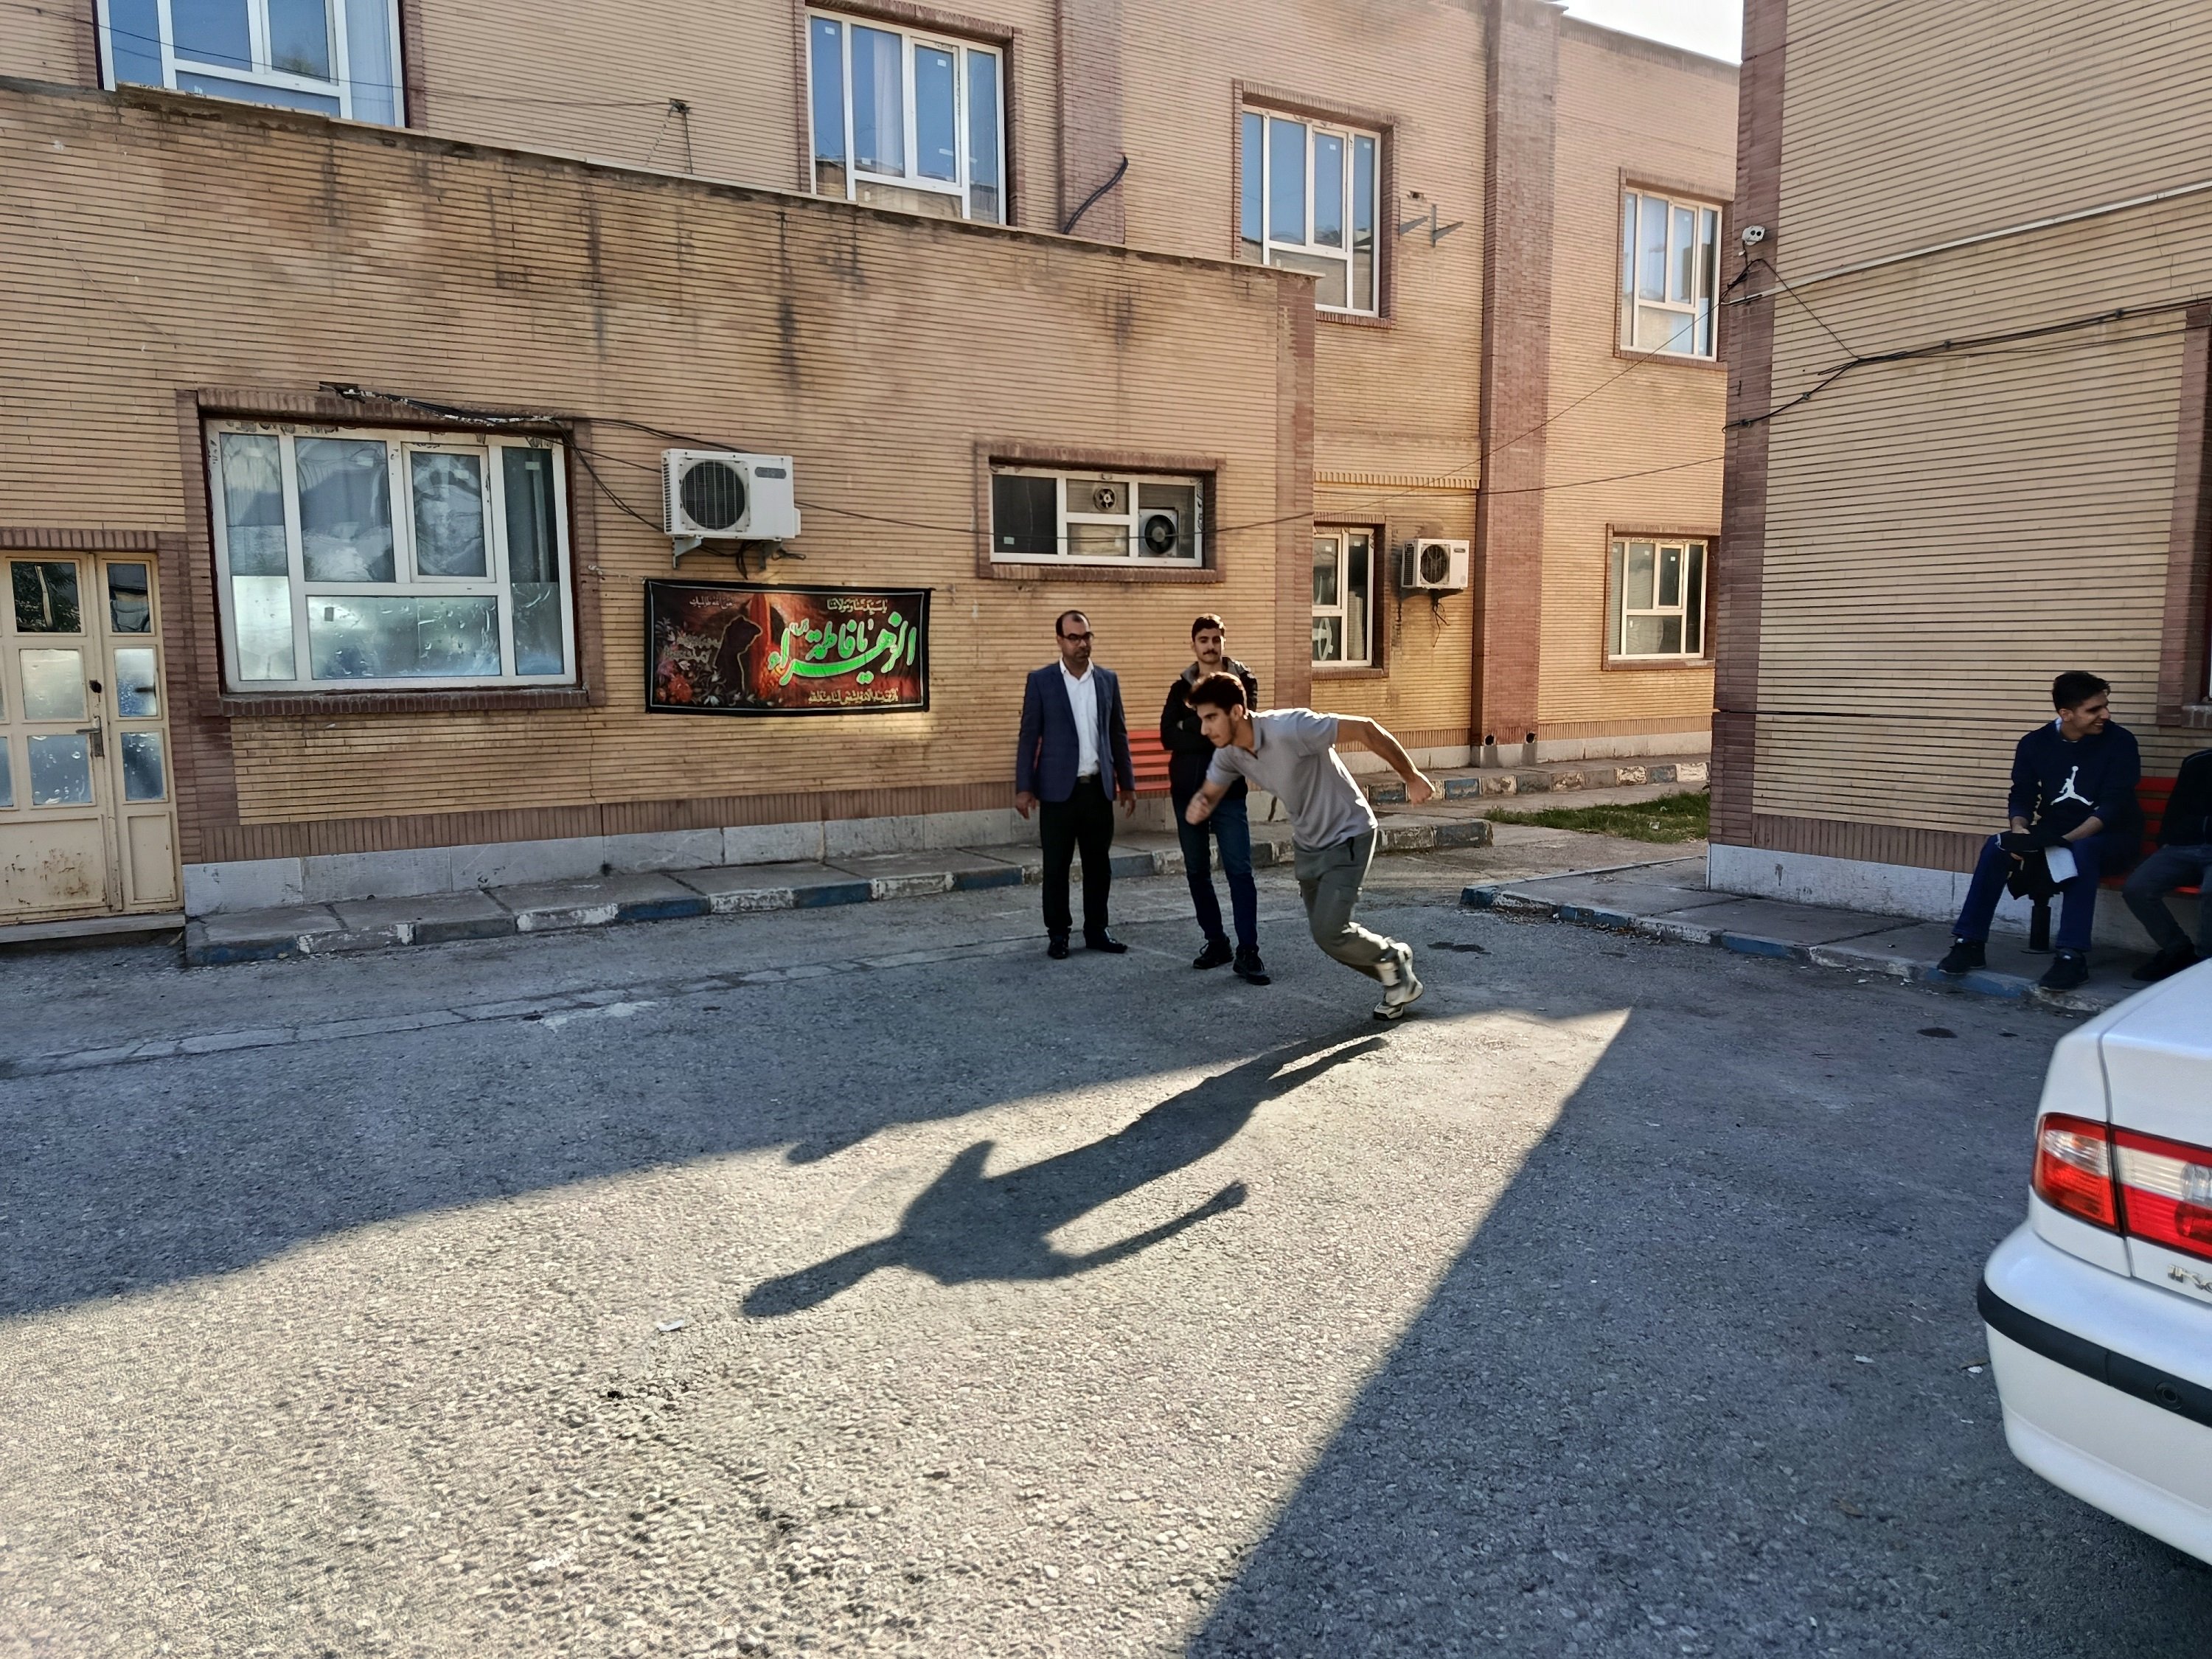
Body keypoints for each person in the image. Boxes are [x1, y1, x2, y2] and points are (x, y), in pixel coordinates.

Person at [1183, 673, 1436, 1019]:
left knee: (1331, 932)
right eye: (1201, 719)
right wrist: (1202, 804)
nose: (1204, 729)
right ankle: (1394, 965)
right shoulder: (1230, 754)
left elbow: (1366, 728)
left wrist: (1411, 776)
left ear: (1237, 711)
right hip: (1308, 844)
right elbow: (1211, 791)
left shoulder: (1291, 728)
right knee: (1326, 937)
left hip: (1349, 833)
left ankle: (1394, 967)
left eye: (1211, 717)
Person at [1937, 672, 2141, 992]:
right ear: (2066, 713)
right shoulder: (2035, 743)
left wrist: (2061, 842)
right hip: (2053, 833)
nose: (2106, 714)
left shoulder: (2120, 742)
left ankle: (2072, 956)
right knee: (1997, 845)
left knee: (2082, 850)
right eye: (2094, 709)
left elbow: (2111, 807)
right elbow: (2022, 794)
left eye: (2106, 705)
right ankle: (1969, 942)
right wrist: (2020, 832)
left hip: (2112, 838)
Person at [1015, 611, 1137, 959]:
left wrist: (1127, 783)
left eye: (1086, 637)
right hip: (1057, 793)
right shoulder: (1042, 681)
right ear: (1060, 640)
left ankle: (1097, 930)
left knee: (1099, 865)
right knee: (1056, 866)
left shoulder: (1107, 680)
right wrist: (1024, 787)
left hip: (1097, 789)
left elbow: (1118, 733)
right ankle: (1058, 934)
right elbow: (1028, 737)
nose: (1082, 644)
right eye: (1074, 638)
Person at [1161, 615, 1267, 984]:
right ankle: (1216, 942)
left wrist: (1189, 724)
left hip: (1229, 792)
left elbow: (1241, 728)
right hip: (1188, 792)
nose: (1210, 646)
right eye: (1203, 640)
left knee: (1240, 871)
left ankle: (1248, 951)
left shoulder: (1242, 680)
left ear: (1223, 641)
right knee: (1197, 871)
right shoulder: (1180, 687)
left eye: (1215, 639)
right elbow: (1167, 736)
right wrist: (1206, 727)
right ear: (1194, 644)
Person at [2121, 745, 2212, 982]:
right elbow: (2176, 807)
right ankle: (2178, 950)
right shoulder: (2197, 762)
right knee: (2137, 888)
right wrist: (2166, 842)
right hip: (2182, 848)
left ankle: (2206, 963)